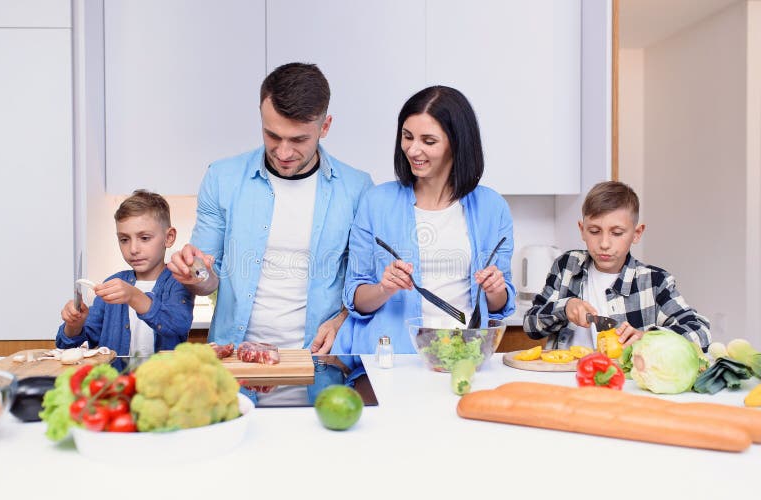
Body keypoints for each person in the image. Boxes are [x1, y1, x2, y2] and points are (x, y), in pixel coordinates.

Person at [168, 62, 373, 405]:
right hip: (232, 372)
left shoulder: (358, 189)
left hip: (319, 368)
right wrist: (194, 273)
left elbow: (362, 288)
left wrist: (340, 322)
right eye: (272, 135)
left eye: (298, 139)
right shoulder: (223, 178)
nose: (283, 152)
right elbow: (207, 277)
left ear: (325, 126)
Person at [333, 85, 516, 355]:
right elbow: (355, 299)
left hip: (463, 354)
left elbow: (501, 303)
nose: (413, 150)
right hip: (391, 356)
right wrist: (384, 287)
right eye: (407, 137)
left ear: (457, 143)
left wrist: (494, 288)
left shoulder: (492, 207)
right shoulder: (376, 202)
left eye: (428, 141)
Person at [523, 181, 711, 349]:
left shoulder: (654, 282)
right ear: (582, 230)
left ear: (637, 233)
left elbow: (700, 332)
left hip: (620, 384)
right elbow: (530, 325)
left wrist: (647, 338)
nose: (604, 243)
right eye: (595, 231)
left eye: (617, 233)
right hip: (567, 379)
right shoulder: (567, 266)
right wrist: (564, 308)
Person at [57, 190, 194, 369]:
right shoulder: (113, 282)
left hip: (164, 390)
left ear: (169, 238)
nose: (133, 249)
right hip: (116, 388)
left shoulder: (178, 281)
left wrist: (133, 296)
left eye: (144, 238)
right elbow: (72, 348)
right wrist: (74, 326)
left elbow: (177, 326)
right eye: (124, 239)